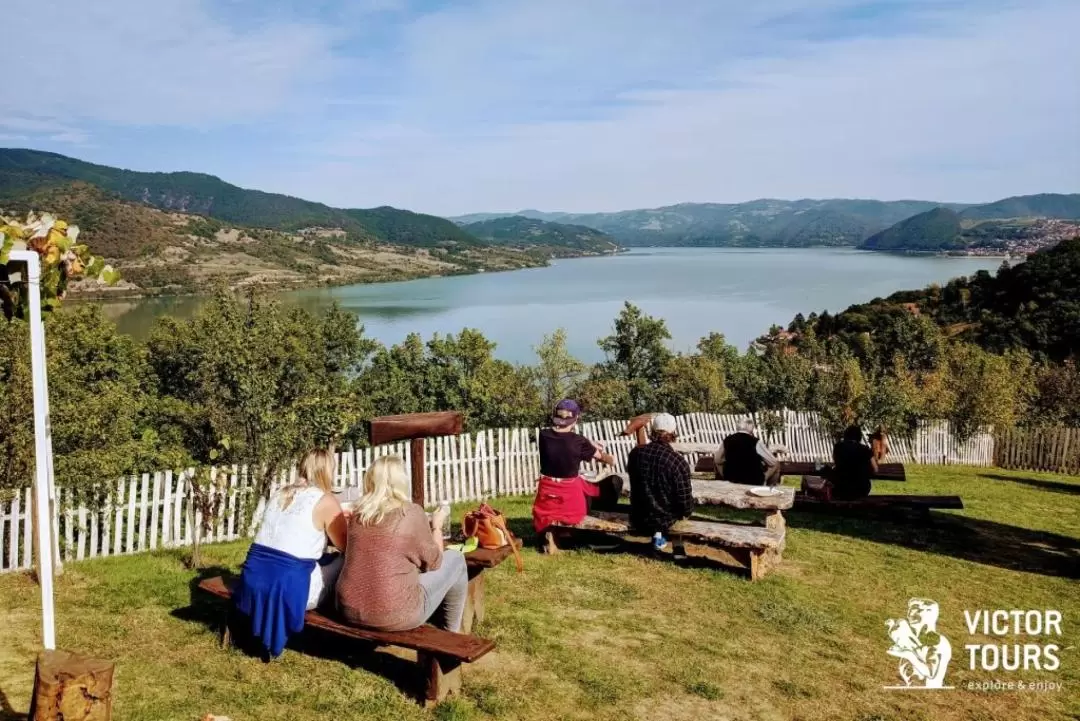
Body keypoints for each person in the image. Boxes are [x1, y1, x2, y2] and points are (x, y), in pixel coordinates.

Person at [232, 448, 348, 659]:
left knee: (315, 561)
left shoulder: (280, 492)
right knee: (344, 561)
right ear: (327, 471)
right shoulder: (326, 501)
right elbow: (346, 545)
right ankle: (349, 620)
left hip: (253, 580)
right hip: (286, 588)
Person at [336, 455, 468, 632]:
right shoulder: (410, 512)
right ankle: (453, 633)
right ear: (401, 481)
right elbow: (435, 561)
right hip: (393, 614)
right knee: (457, 560)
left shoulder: (358, 513)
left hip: (347, 608)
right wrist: (436, 527)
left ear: (369, 480)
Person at [531, 399, 616, 548]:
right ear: (576, 418)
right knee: (611, 485)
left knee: (585, 486)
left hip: (547, 496)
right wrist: (609, 458)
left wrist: (588, 443)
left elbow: (563, 440)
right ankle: (588, 533)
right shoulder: (579, 442)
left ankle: (555, 532)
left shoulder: (543, 436)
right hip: (570, 501)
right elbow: (601, 457)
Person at [626, 413, 694, 551]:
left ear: (653, 431)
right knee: (680, 511)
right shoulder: (677, 462)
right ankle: (673, 545)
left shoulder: (635, 454)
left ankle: (659, 537)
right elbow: (684, 500)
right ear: (673, 432)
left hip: (639, 515)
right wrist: (688, 511)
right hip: (665, 519)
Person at [714, 418, 781, 485]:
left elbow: (717, 460)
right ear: (751, 429)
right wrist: (765, 477)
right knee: (776, 465)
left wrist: (724, 474)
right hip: (753, 480)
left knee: (719, 463)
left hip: (731, 478)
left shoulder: (727, 440)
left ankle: (724, 481)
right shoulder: (755, 442)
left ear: (737, 427)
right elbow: (773, 462)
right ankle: (769, 489)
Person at [831, 425, 878, 501]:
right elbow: (875, 469)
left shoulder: (838, 447)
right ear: (859, 436)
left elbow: (835, 461)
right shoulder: (865, 449)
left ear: (846, 435)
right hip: (861, 489)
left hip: (841, 487)